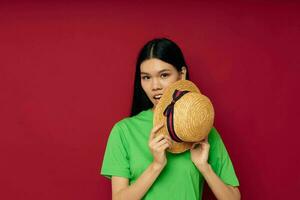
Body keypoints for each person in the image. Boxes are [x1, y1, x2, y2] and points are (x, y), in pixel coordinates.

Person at [101, 38, 241, 200]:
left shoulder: (202, 129)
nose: (155, 86)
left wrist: (205, 168)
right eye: (146, 77)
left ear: (181, 75)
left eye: (164, 75)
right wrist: (156, 165)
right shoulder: (123, 131)